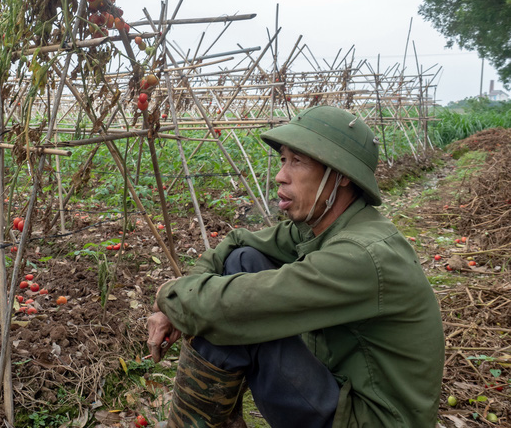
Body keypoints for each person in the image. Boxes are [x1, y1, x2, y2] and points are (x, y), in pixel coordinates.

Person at [147, 106, 444, 428]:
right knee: (243, 261)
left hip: (367, 418)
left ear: (342, 175)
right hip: (343, 388)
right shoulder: (326, 226)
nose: (280, 175)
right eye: (283, 160)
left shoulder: (361, 254)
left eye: (298, 161)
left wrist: (169, 296)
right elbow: (237, 241)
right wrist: (181, 295)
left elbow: (236, 305)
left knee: (229, 307)